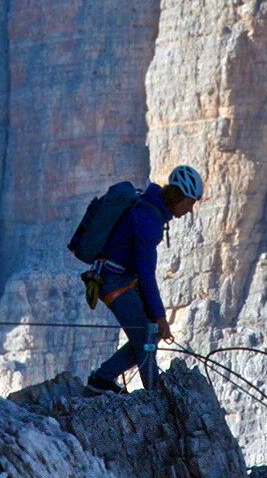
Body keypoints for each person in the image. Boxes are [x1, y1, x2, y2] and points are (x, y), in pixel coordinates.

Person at [83, 165, 204, 395]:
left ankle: (102, 379)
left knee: (148, 333)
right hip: (114, 280)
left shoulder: (150, 209)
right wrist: (159, 316)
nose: (189, 210)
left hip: (114, 277)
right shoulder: (149, 220)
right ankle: (153, 392)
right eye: (190, 203)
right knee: (147, 335)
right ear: (178, 197)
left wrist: (157, 318)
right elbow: (146, 273)